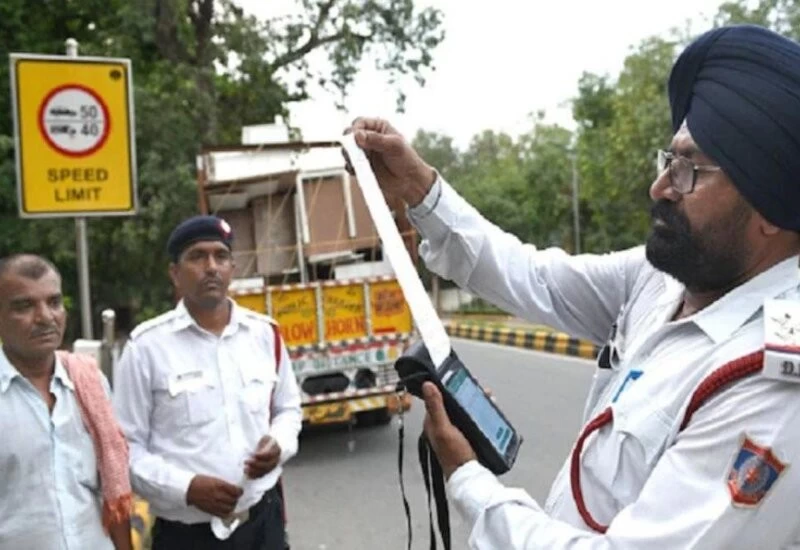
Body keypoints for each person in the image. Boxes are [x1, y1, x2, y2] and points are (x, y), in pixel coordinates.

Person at [346, 24, 800, 550]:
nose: (659, 187)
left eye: (689, 171)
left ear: (770, 209)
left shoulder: (770, 385)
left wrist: (467, 478)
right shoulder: (663, 279)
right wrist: (417, 188)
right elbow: (533, 277)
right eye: (668, 161)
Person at [113, 216, 302, 550]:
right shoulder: (146, 348)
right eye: (197, 256)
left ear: (232, 268)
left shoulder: (264, 334)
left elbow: (288, 409)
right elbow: (126, 451)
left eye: (220, 256)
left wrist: (278, 444)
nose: (211, 267)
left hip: (263, 523)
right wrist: (187, 488)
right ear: (175, 273)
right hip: (186, 536)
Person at [0, 254, 132, 550]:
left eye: (54, 302)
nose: (45, 317)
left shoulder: (89, 383)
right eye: (24, 306)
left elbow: (113, 489)